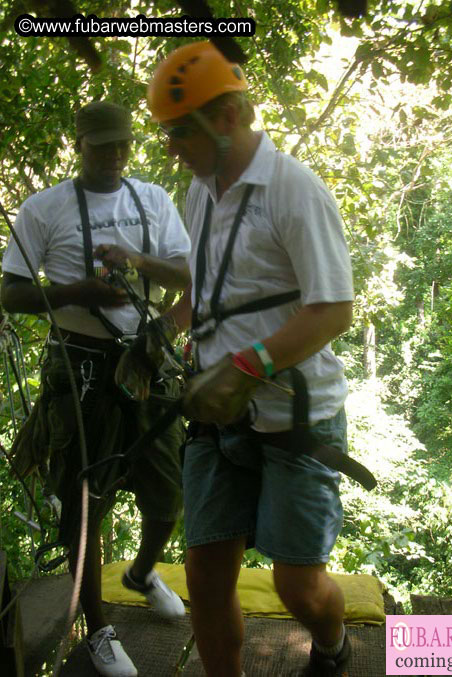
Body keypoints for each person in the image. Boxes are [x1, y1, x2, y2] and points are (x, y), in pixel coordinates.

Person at [118, 42, 355, 677]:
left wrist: (247, 367)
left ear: (225, 117)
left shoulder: (293, 190)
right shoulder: (202, 190)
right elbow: (207, 290)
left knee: (296, 586)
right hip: (217, 420)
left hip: (292, 420)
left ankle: (333, 649)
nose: (171, 148)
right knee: (206, 574)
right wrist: (163, 331)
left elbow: (333, 309)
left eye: (180, 131)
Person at [1, 101, 192, 677]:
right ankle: (99, 628)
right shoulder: (45, 209)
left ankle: (141, 572)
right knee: (84, 504)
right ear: (78, 144)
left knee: (169, 492)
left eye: (121, 146)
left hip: (147, 357)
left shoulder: (152, 200)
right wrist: (73, 292)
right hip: (78, 365)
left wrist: (137, 264)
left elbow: (188, 275)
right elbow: (10, 292)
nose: (113, 156)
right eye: (100, 146)